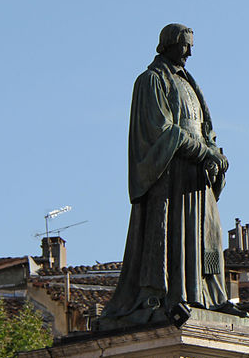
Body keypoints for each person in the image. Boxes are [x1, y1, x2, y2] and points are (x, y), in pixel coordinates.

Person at [100, 24, 241, 328]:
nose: (189, 52)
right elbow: (162, 131)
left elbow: (206, 130)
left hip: (197, 177)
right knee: (176, 234)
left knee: (208, 236)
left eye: (191, 46)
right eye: (184, 45)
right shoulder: (150, 81)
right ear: (168, 45)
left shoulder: (189, 83)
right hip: (171, 175)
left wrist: (215, 154)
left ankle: (209, 296)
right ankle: (172, 294)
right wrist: (204, 153)